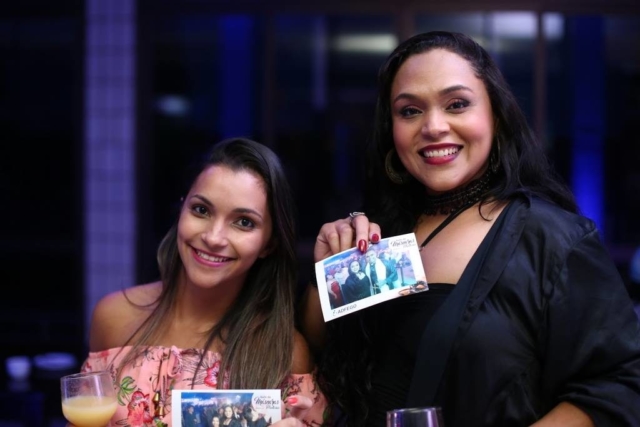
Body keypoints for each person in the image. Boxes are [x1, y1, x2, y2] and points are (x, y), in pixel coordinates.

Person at [301, 31, 640, 426]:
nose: (433, 126)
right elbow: (323, 352)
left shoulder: (551, 239)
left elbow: (620, 385)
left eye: (457, 104)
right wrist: (327, 275)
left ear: (495, 114)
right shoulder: (382, 235)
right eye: (410, 111)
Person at [80, 137, 328, 427]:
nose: (213, 237)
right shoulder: (113, 317)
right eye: (201, 210)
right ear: (182, 210)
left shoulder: (284, 352)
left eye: (244, 222)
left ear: (268, 244)